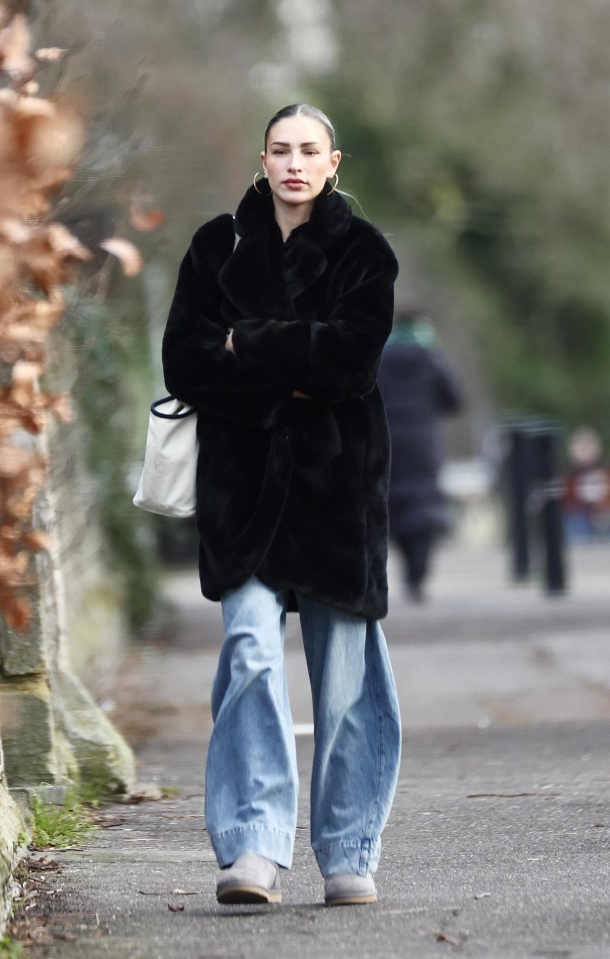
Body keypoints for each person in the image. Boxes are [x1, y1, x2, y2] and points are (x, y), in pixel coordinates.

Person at [161, 104, 401, 908]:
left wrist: (247, 343)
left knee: (346, 683)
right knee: (251, 657)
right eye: (280, 149)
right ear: (260, 158)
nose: (294, 163)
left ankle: (348, 849)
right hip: (243, 492)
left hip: (337, 492)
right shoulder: (215, 246)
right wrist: (289, 356)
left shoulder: (365, 251)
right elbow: (186, 364)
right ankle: (253, 846)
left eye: (309, 150)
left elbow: (350, 364)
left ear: (335, 160)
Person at [377, 308, 463, 602]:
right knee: (423, 507)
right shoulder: (430, 358)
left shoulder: (379, 357)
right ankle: (417, 574)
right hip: (422, 443)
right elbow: (454, 398)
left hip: (387, 439)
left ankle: (406, 571)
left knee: (394, 505)